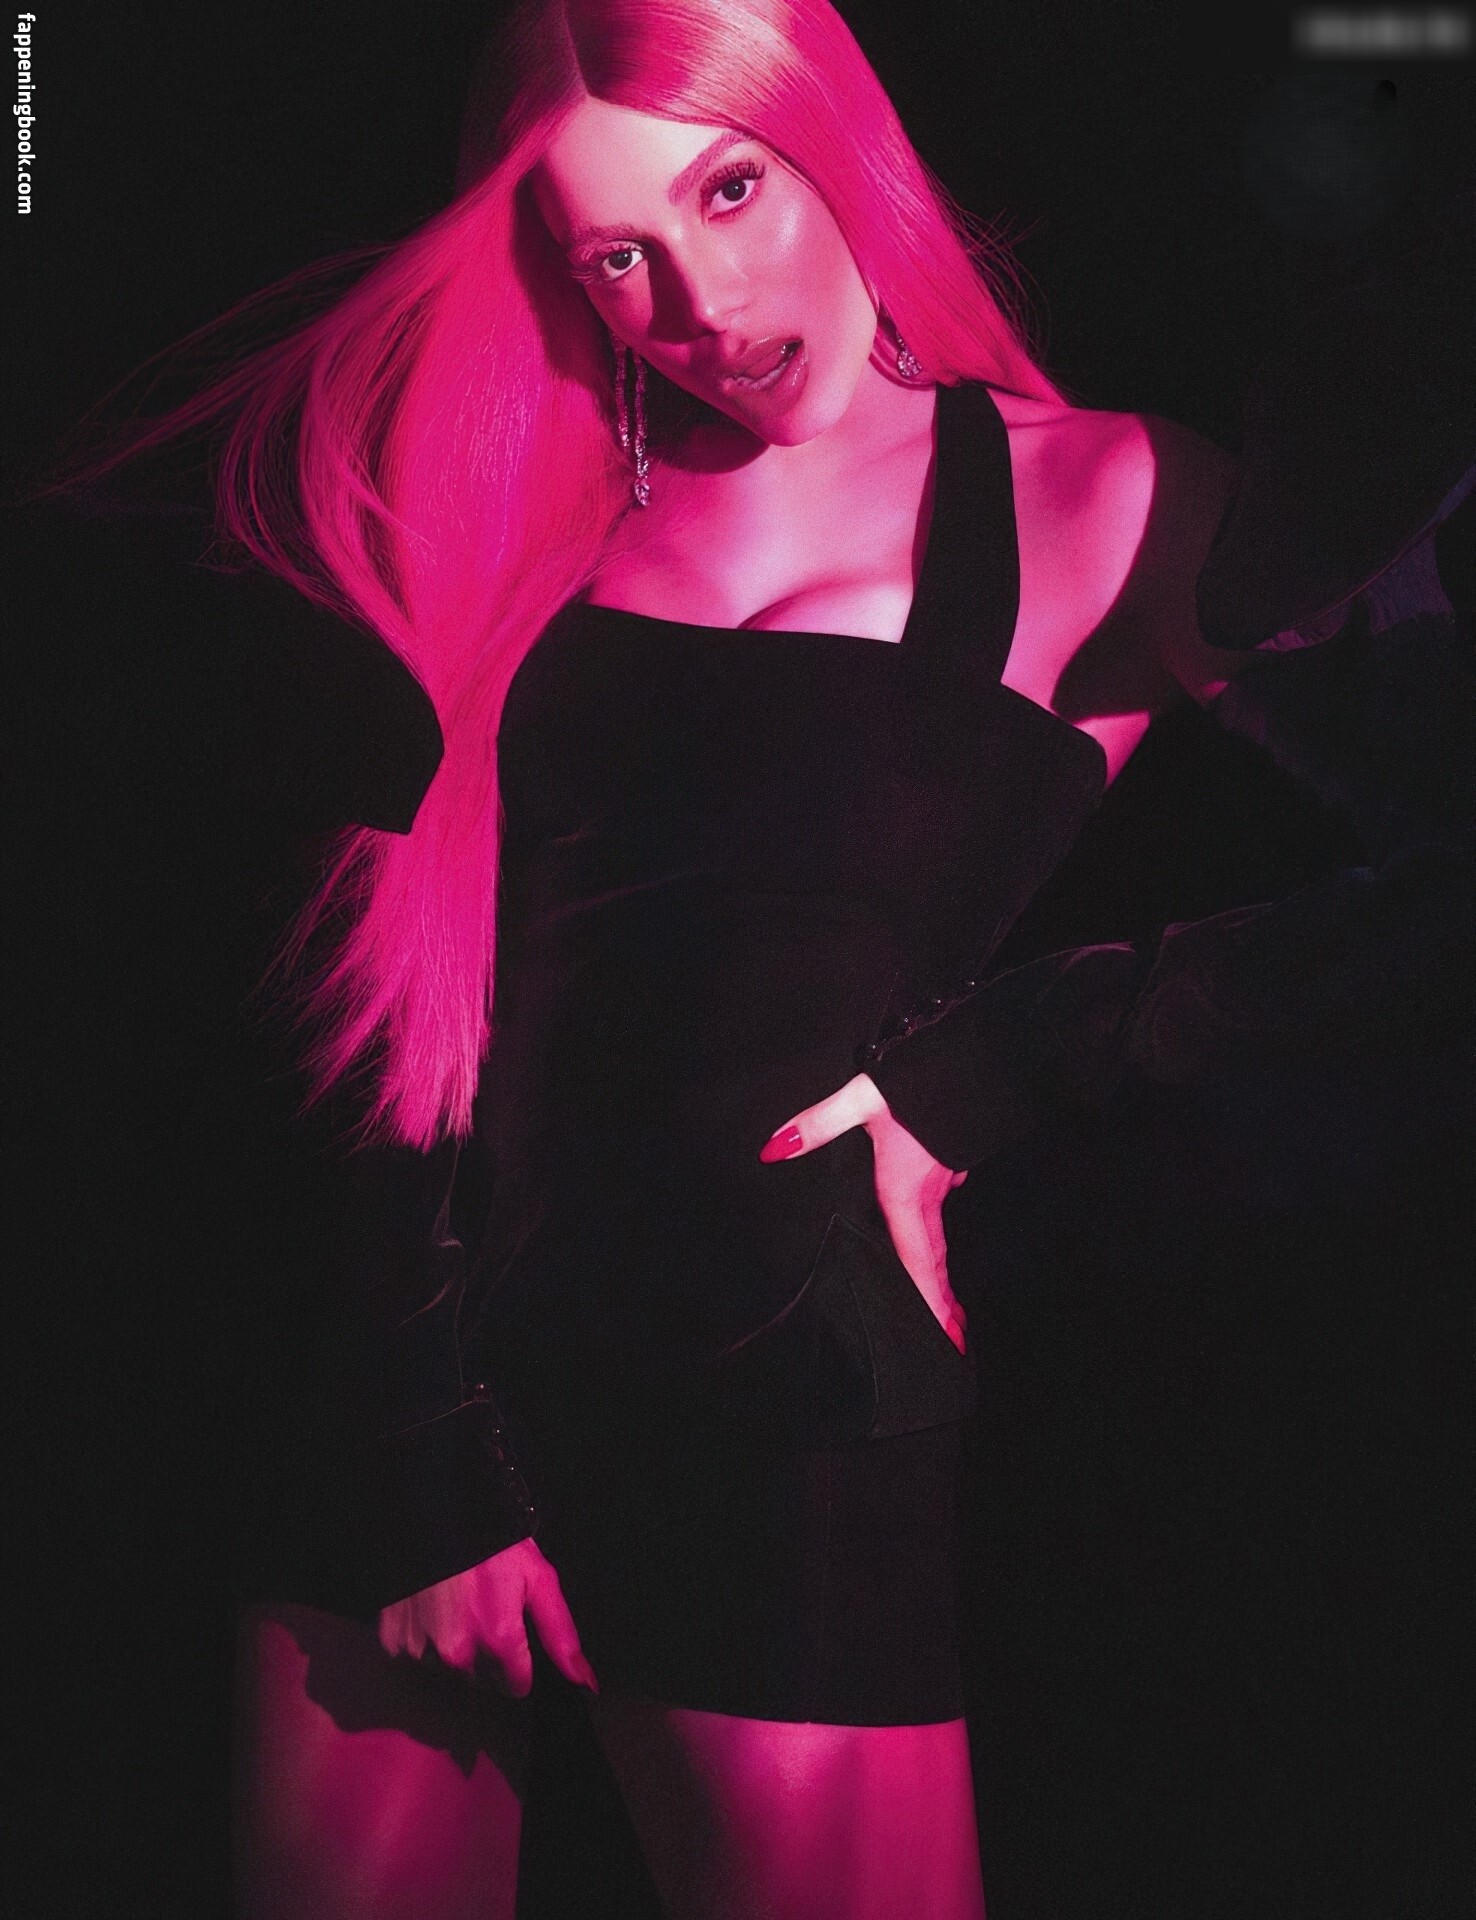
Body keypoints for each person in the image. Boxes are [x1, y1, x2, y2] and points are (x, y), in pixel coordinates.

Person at [44, 4, 1460, 1917]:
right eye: (613, 254)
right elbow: (353, 991)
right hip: (400, 1400)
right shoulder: (506, 488)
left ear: (833, 143)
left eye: (730, 193)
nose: (699, 305)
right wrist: (415, 1438)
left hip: (773, 1409)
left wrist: (1013, 1060)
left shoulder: (1103, 496)